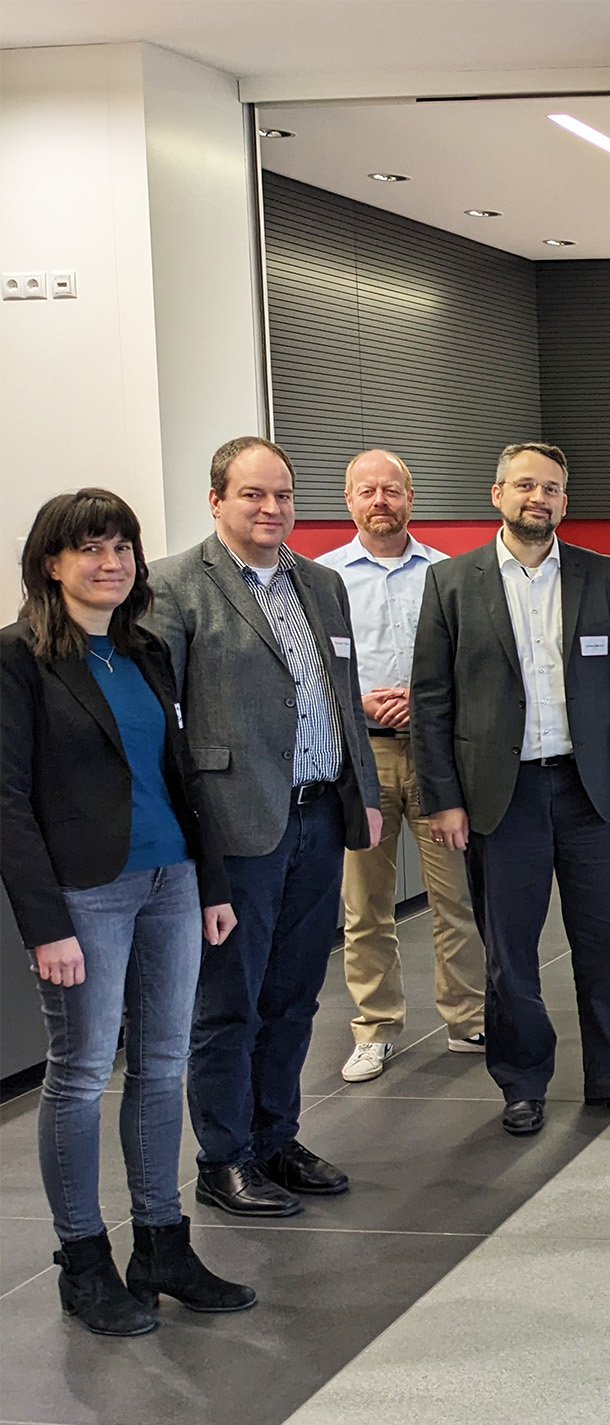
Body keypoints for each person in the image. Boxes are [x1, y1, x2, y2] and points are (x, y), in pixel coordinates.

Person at [1, 491, 255, 1337]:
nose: (111, 563)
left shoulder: (144, 648)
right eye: (90, 549)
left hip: (172, 881)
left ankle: (161, 1243)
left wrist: (212, 883)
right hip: (86, 894)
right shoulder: (16, 660)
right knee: (77, 1075)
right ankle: (84, 1261)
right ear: (51, 562)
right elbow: (6, 802)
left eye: (123, 548)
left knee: (161, 1062)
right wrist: (45, 925)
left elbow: (181, 773)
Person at [147, 436, 382, 1219]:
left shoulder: (320, 583)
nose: (272, 508)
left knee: (293, 995)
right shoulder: (177, 585)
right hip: (235, 824)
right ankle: (224, 1157)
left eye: (282, 494)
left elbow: (342, 696)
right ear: (216, 500)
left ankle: (277, 1136)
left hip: (318, 814)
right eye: (253, 495)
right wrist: (185, 830)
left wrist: (366, 791)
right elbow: (162, 722)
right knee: (229, 1001)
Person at [412, 441, 610, 1137]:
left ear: (564, 500)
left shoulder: (603, 576)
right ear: (496, 493)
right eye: (526, 485)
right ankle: (522, 1082)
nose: (540, 498)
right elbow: (430, 700)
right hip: (502, 793)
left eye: (553, 488)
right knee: (510, 951)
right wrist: (443, 796)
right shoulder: (451, 583)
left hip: (593, 792)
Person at [316, 449, 486, 1084]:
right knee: (366, 904)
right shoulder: (323, 578)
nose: (380, 500)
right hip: (362, 753)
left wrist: (429, 695)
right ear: (349, 500)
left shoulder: (448, 574)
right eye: (367, 490)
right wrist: (352, 699)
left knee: (456, 895)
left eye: (392, 489)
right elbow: (309, 668)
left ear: (411, 498)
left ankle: (468, 1018)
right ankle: (376, 1028)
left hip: (439, 754)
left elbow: (472, 661)